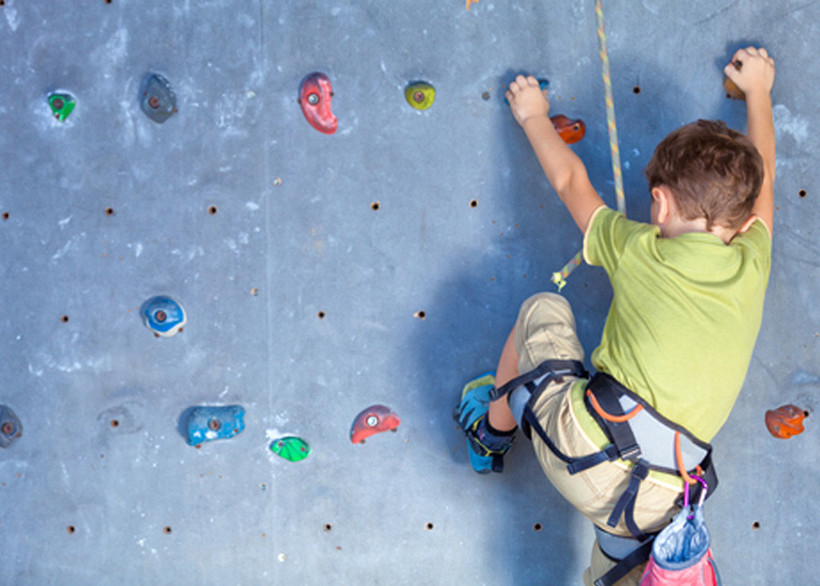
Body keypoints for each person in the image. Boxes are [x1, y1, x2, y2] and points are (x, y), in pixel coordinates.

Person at [455, 47, 776, 585]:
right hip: (656, 505)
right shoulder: (753, 261)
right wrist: (760, 92)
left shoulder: (639, 248)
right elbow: (764, 190)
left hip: (585, 453)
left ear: (660, 204)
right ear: (743, 224)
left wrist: (533, 113)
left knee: (542, 310)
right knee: (621, 554)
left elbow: (570, 184)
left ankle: (491, 433)